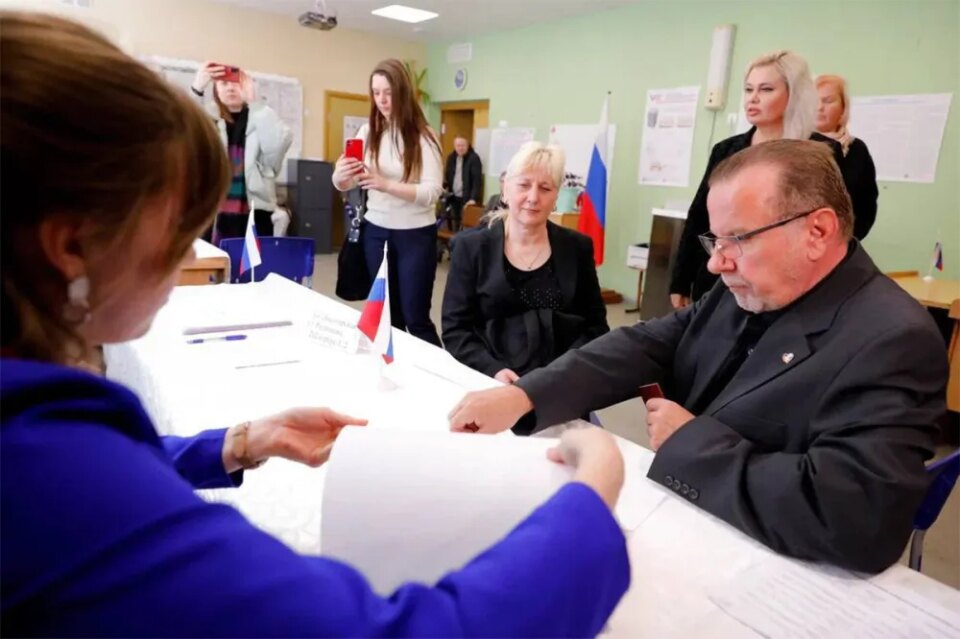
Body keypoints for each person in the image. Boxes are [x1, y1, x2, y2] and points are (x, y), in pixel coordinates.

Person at [0, 13, 633, 636]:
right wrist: (592, 494)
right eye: (172, 227)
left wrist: (238, 442)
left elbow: (110, 463)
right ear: (70, 248)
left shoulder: (37, 433)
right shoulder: (52, 484)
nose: (190, 253)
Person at [448, 139, 948, 575]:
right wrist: (524, 395)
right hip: (685, 526)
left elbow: (857, 520)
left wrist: (690, 442)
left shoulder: (893, 340)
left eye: (738, 239)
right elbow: (643, 344)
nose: (715, 261)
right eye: (716, 239)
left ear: (817, 231)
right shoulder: (744, 286)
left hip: (771, 569)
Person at [442, 143, 608, 434]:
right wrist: (492, 369)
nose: (533, 197)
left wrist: (563, 374)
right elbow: (456, 329)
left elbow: (596, 326)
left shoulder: (577, 248)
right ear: (505, 189)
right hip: (492, 387)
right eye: (524, 185)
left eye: (545, 188)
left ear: (556, 196)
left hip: (560, 390)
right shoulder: (471, 248)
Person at [670, 50, 852, 308]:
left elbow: (839, 225)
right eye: (748, 89)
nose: (753, 99)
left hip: (787, 283)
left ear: (793, 95)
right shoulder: (727, 150)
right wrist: (680, 279)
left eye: (766, 89)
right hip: (721, 277)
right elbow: (700, 215)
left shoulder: (821, 151)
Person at [332, 59, 444, 346]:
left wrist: (386, 185)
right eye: (376, 92)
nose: (381, 100)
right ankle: (392, 375)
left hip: (415, 235)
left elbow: (432, 192)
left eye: (388, 92)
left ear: (403, 92)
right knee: (386, 317)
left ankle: (439, 379)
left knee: (415, 317)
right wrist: (340, 176)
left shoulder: (425, 137)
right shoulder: (368, 133)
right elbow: (346, 183)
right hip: (375, 231)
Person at [190, 61, 292, 244]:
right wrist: (197, 89)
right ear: (215, 90)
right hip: (212, 212)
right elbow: (182, 138)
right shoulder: (205, 120)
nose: (230, 88)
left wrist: (256, 104)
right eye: (224, 83)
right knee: (213, 267)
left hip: (256, 211)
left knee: (255, 271)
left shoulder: (262, 118)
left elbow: (276, 151)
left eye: (236, 83)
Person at [816, 74, 879, 240]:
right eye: (813, 101)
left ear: (843, 107)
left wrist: (848, 241)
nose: (819, 107)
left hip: (842, 243)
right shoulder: (793, 145)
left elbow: (867, 203)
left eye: (828, 101)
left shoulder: (857, 148)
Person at [442, 136, 484, 231]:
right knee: (454, 222)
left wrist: (473, 198)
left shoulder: (474, 158)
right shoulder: (451, 157)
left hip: (467, 198)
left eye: (462, 145)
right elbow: (448, 175)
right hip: (454, 196)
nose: (460, 148)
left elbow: (477, 181)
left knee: (465, 224)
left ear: (467, 145)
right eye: (458, 145)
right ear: (454, 146)